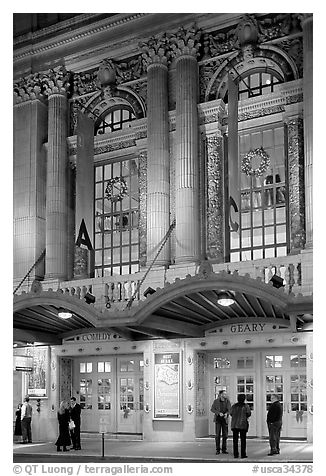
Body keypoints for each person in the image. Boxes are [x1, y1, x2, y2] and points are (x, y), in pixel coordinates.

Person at [230, 394, 251, 459]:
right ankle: (243, 454)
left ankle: (235, 454)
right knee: (243, 440)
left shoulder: (234, 406)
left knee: (235, 440)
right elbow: (249, 413)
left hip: (234, 424)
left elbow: (231, 413)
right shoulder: (246, 406)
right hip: (243, 425)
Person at [211, 389, 231, 455]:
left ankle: (224, 449)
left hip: (224, 419)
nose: (226, 395)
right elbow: (212, 409)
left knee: (225, 435)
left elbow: (230, 409)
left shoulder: (227, 401)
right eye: (224, 394)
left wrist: (226, 414)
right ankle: (217, 449)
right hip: (218, 419)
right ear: (221, 395)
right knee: (217, 435)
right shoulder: (216, 401)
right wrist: (218, 413)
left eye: (226, 394)